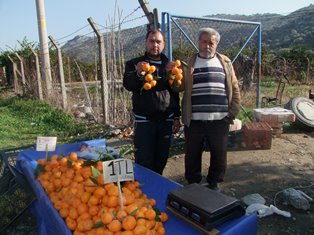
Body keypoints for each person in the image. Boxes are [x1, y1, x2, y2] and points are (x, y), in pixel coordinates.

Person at [180, 27, 241, 190]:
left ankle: (213, 182)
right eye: (204, 41)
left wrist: (233, 111)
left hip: (219, 120)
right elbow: (178, 87)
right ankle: (193, 183)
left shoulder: (225, 63)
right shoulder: (189, 63)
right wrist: (173, 75)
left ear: (216, 45)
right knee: (192, 154)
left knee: (219, 153)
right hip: (194, 120)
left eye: (211, 42)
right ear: (198, 42)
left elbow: (235, 88)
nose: (207, 45)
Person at [123, 29, 181, 175]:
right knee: (143, 160)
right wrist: (138, 73)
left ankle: (156, 188)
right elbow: (128, 85)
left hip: (165, 121)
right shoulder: (135, 64)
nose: (155, 44)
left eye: (158, 41)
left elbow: (175, 92)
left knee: (161, 159)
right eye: (152, 41)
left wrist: (176, 117)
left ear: (163, 45)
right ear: (146, 43)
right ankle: (143, 192)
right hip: (144, 121)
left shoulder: (170, 66)